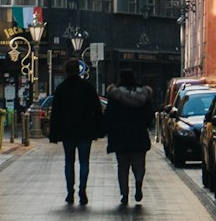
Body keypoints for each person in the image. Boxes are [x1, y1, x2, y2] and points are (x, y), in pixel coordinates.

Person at [48, 58, 104, 205]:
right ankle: (82, 190)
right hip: (85, 130)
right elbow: (96, 109)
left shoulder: (61, 88)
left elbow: (56, 113)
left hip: (68, 131)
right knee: (84, 161)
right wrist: (100, 128)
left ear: (66, 71)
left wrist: (54, 133)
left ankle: (70, 192)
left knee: (69, 161)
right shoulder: (88, 87)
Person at [105, 69, 155, 206]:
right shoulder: (143, 95)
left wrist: (108, 130)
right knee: (139, 164)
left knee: (122, 166)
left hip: (120, 135)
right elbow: (149, 115)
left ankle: (124, 194)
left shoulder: (115, 96)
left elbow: (109, 116)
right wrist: (144, 125)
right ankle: (138, 183)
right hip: (139, 134)